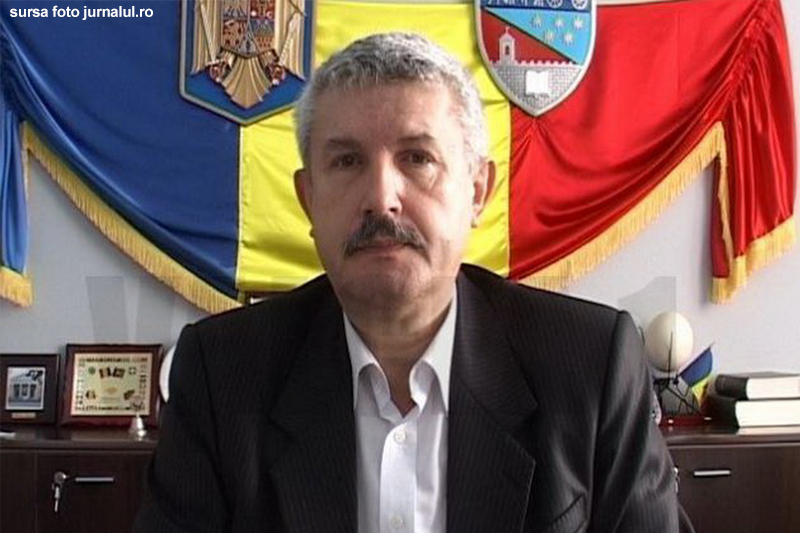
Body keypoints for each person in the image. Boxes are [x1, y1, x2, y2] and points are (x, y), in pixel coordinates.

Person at [135, 32, 683, 533]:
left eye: (417, 158)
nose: (381, 198)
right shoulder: (222, 373)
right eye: (347, 161)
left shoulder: (589, 365)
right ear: (309, 200)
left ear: (477, 192)